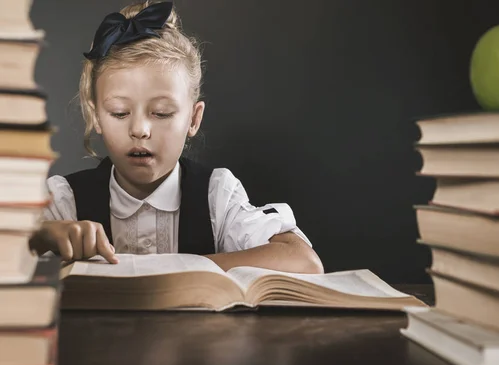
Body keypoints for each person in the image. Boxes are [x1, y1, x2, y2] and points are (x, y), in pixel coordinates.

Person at [29, 1, 323, 274]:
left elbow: (303, 261)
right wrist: (42, 235)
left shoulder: (216, 197)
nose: (140, 130)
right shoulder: (65, 199)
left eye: (161, 112)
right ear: (95, 117)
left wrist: (189, 269)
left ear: (193, 119)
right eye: (120, 113)